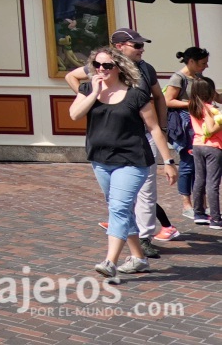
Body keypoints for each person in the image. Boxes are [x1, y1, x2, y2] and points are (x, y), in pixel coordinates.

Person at [65, 28, 176, 256]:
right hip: (104, 151)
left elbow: (158, 99)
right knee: (118, 204)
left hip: (141, 138)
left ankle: (133, 245)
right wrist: (93, 98)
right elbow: (72, 80)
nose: (141, 49)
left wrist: (164, 134)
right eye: (136, 45)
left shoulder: (145, 70)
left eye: (141, 45)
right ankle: (137, 255)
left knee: (141, 195)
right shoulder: (101, 68)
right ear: (119, 47)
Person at [164, 46, 209, 219]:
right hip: (185, 126)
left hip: (198, 123)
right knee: (188, 164)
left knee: (201, 165)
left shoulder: (198, 76)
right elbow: (169, 101)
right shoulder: (178, 78)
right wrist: (192, 104)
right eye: (203, 63)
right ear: (191, 62)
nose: (205, 66)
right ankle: (186, 204)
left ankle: (202, 205)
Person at [187, 76, 222, 227]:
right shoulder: (208, 108)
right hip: (213, 146)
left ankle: (199, 213)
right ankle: (215, 218)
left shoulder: (194, 106)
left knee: (199, 180)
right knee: (212, 183)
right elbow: (212, 129)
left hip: (198, 145)